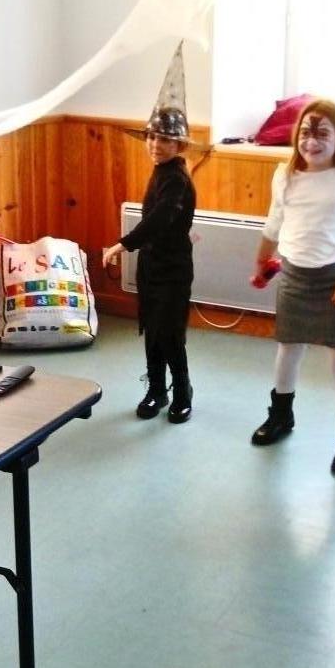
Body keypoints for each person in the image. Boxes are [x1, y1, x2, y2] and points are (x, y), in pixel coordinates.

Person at [250, 97, 335, 475]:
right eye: (305, 133)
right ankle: (281, 416)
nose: (312, 141)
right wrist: (261, 265)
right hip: (294, 277)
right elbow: (274, 225)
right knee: (288, 349)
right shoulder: (285, 175)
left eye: (322, 133)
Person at [102, 44, 196, 424]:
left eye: (165, 140)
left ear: (180, 144)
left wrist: (122, 244)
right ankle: (156, 388)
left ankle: (182, 390)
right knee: (152, 331)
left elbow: (159, 219)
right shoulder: (160, 172)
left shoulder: (177, 180)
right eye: (151, 138)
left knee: (170, 334)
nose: (156, 145)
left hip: (173, 270)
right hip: (152, 266)